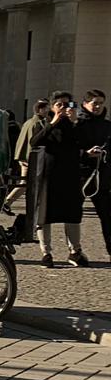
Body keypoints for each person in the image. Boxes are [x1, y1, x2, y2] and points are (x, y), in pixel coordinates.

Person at [29, 92, 89, 267]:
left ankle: (75, 252)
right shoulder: (43, 123)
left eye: (68, 104)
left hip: (70, 177)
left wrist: (74, 122)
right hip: (48, 176)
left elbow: (82, 143)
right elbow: (35, 142)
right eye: (60, 104)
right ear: (52, 107)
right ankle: (46, 253)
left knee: (72, 215)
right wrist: (53, 122)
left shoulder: (76, 125)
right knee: (44, 216)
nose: (64, 108)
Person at [79, 89, 109, 260]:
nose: (97, 106)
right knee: (74, 216)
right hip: (81, 177)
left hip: (103, 178)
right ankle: (75, 251)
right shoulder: (77, 125)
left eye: (100, 103)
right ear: (85, 104)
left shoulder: (107, 126)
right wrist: (86, 153)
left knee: (107, 216)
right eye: (94, 103)